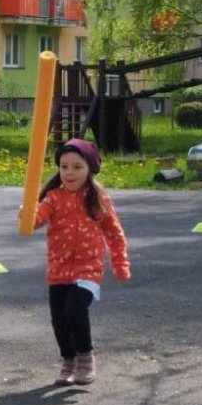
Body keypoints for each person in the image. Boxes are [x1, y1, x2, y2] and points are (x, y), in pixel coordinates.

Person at [32, 138, 130, 386]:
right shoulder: (53, 198)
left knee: (74, 309)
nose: (69, 173)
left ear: (90, 169)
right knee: (59, 318)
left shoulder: (98, 199)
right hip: (58, 269)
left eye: (77, 167)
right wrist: (27, 214)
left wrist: (120, 265)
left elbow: (115, 234)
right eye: (64, 167)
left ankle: (85, 358)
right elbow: (37, 220)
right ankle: (68, 361)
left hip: (88, 269)